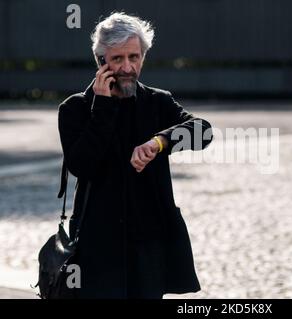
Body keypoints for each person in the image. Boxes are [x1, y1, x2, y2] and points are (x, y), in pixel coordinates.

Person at [57, 12, 213, 299]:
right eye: (118, 59)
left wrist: (159, 142)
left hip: (149, 245)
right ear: (101, 62)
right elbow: (82, 165)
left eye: (135, 57)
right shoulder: (74, 109)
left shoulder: (157, 101)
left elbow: (203, 132)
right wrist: (102, 108)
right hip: (97, 246)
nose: (128, 67)